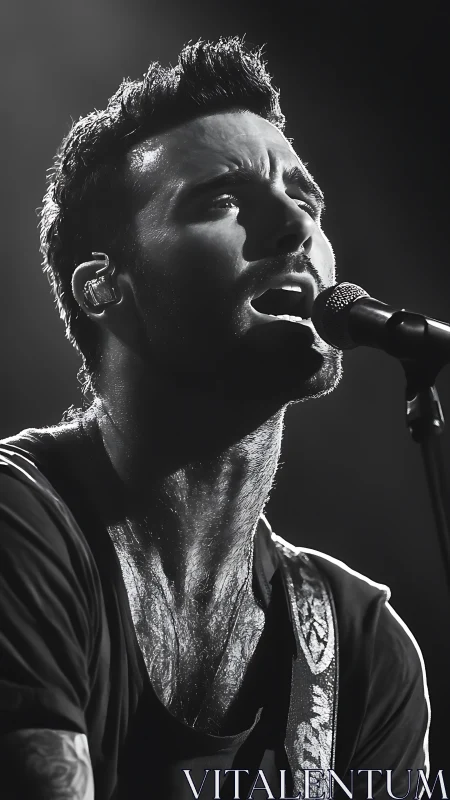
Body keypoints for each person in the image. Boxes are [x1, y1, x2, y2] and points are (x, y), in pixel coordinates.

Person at [0, 37, 430, 800]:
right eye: (223, 200)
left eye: (307, 201)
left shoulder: (365, 649)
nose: (296, 230)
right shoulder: (20, 525)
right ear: (104, 287)